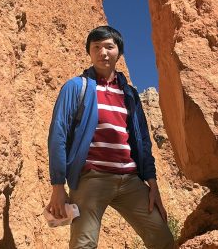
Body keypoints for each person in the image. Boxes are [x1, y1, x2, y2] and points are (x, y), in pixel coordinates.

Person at [47, 26, 174, 249]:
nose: (103, 52)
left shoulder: (130, 94)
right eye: (96, 47)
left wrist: (152, 183)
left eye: (109, 46)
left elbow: (143, 140)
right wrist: (58, 186)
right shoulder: (76, 87)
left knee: (163, 238)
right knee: (83, 244)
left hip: (130, 180)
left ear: (119, 52)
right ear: (89, 52)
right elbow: (58, 135)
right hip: (91, 178)